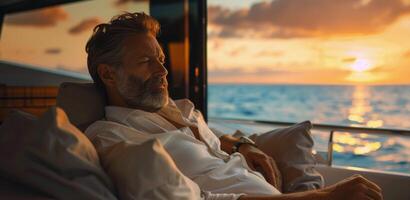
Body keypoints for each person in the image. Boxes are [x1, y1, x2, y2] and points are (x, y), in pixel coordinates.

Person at [84, 12, 383, 200]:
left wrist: (242, 145)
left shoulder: (184, 112)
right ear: (108, 74)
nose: (163, 72)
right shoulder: (113, 137)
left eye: (160, 60)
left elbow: (215, 142)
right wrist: (325, 197)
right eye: (145, 62)